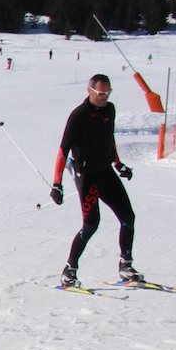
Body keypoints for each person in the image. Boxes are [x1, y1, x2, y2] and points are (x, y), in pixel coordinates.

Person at [50, 74, 140, 286]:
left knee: (128, 217)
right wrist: (57, 184)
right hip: (87, 175)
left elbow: (110, 140)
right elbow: (63, 151)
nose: (105, 97)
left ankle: (125, 265)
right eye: (101, 93)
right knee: (91, 224)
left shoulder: (110, 110)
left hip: (105, 171)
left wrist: (118, 164)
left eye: (108, 93)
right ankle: (69, 269)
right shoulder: (78, 116)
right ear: (89, 91)